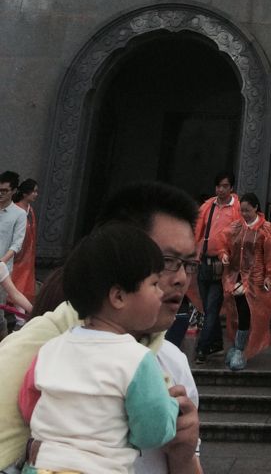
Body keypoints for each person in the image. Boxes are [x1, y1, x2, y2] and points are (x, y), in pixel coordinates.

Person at [0, 180, 202, 474]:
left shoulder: (171, 365)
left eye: (189, 264)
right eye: (166, 261)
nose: (182, 278)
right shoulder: (31, 354)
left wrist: (184, 456)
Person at [17, 223, 179, 474]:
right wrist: (172, 406)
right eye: (154, 283)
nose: (161, 293)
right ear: (119, 297)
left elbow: (29, 407)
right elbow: (153, 432)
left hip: (40, 467)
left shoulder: (50, 349)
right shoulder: (136, 359)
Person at [221, 192, 271, 371]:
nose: (244, 213)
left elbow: (270, 254)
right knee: (236, 311)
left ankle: (240, 349)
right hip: (236, 275)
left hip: (255, 278)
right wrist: (223, 254)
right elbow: (224, 242)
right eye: (241, 210)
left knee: (247, 312)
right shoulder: (237, 226)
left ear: (255, 208)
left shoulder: (265, 228)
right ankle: (238, 345)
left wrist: (269, 275)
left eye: (247, 210)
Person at [192, 171, 243, 363]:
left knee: (212, 307)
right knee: (206, 306)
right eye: (218, 186)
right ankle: (215, 343)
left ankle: (202, 348)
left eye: (225, 186)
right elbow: (198, 231)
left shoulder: (237, 208)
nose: (221, 190)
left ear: (231, 188)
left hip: (223, 265)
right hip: (204, 261)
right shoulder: (208, 206)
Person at [0, 172, 27, 330]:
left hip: (3, 271)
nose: (0, 194)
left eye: (4, 191)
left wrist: (2, 262)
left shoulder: (19, 214)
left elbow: (17, 244)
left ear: (14, 191)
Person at [10, 178, 38, 304]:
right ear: (25, 193)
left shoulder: (30, 210)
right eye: (34, 191)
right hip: (16, 255)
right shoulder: (15, 209)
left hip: (28, 255)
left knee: (24, 285)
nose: (36, 194)